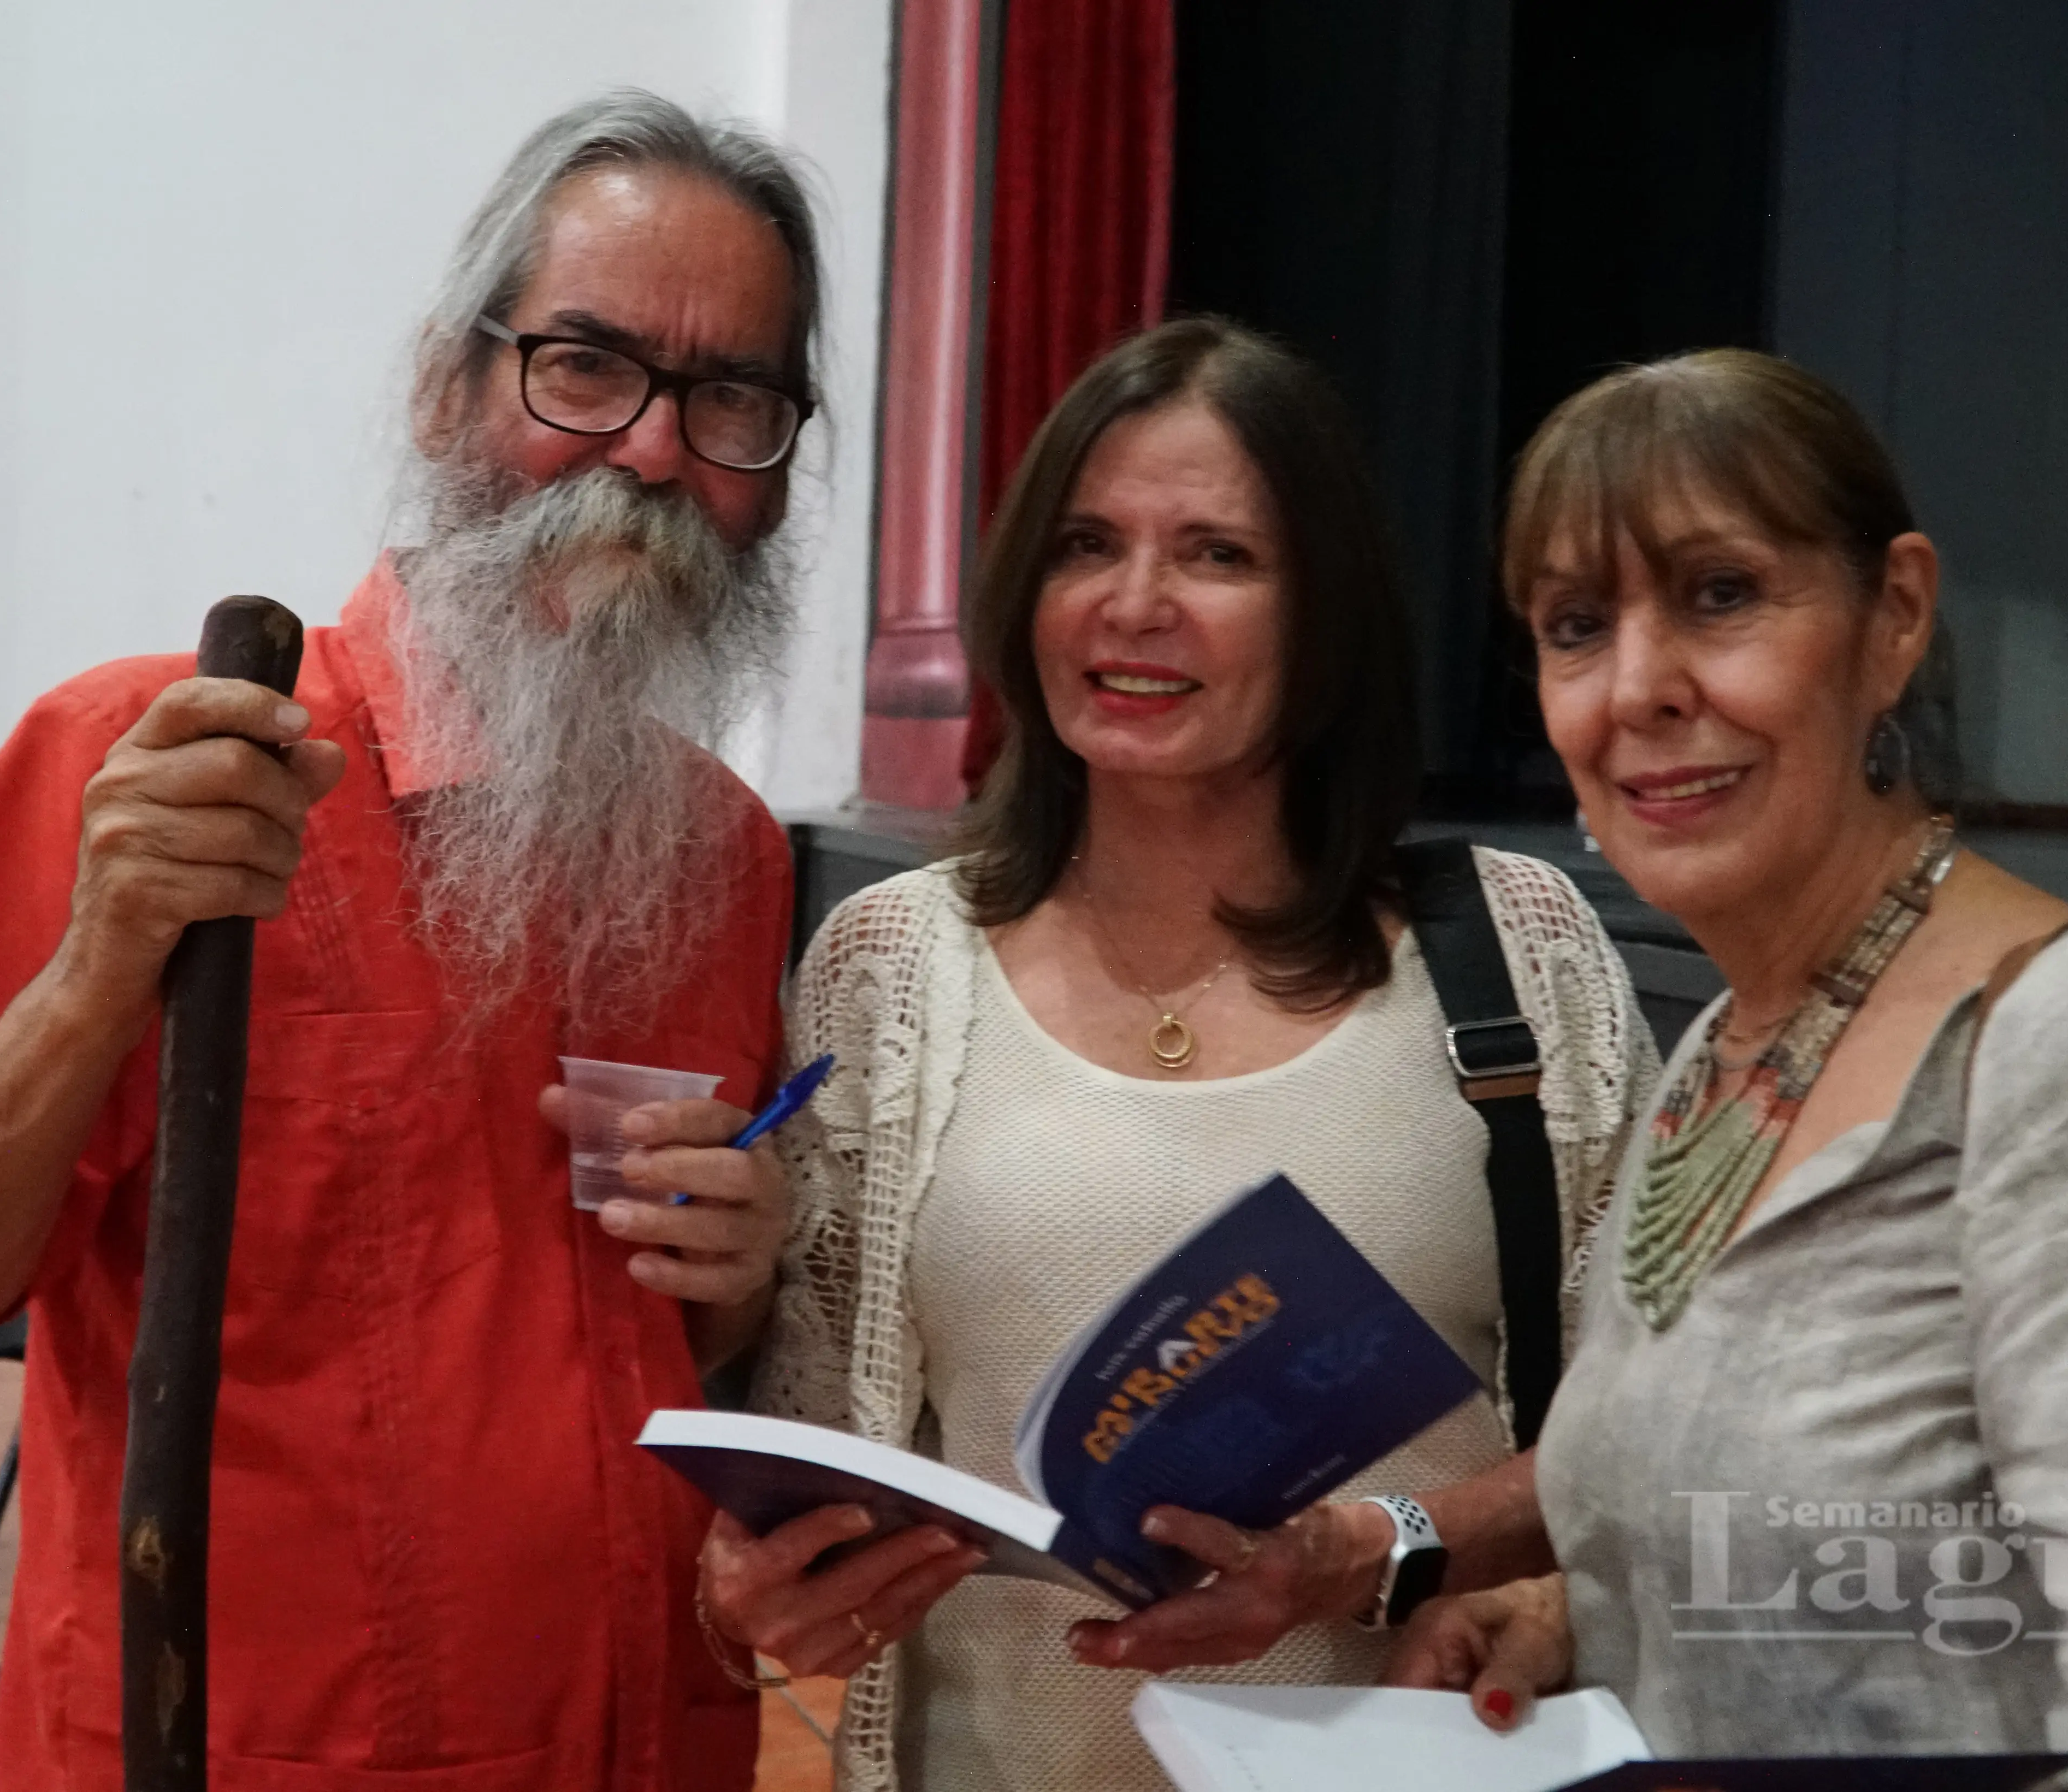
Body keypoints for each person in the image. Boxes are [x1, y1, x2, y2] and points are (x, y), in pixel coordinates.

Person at [0, 93, 822, 1791]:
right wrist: (97, 965)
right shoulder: (162, 756)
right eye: (584, 364)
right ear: (445, 384)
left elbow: (644, 1350)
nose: (651, 448)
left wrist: (741, 1271)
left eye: (732, 397)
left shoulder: (725, 855)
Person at [1392, 348, 2068, 1788]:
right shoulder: (1723, 1050)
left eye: (1720, 594)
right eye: (1578, 625)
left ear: (1893, 616)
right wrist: (1588, 1618)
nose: (1638, 687)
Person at [706, 318, 1661, 1791]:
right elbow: (816, 1444)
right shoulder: (888, 965)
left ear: (1324, 612)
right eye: (1089, 545)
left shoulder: (1515, 948)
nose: (1134, 605)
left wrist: (1482, 1577)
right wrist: (769, 1575)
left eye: (1217, 555)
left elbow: (1659, 1420)